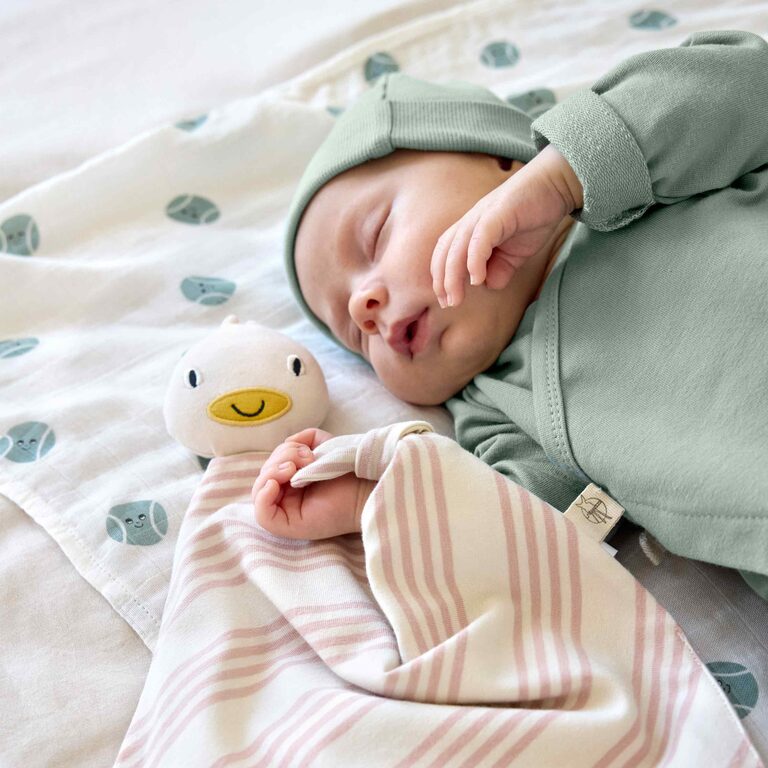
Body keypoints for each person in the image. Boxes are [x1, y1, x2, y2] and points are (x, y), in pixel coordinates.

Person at [252, 29, 768, 599]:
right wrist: (373, 500)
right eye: (355, 336)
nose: (363, 307)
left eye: (375, 236)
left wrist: (564, 173)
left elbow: (749, 84)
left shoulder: (637, 172)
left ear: (503, 161)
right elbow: (528, 536)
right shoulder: (496, 409)